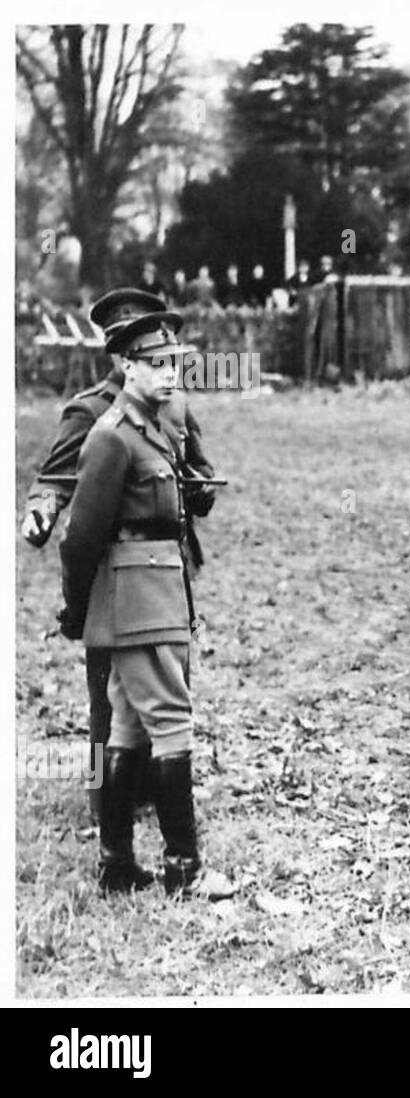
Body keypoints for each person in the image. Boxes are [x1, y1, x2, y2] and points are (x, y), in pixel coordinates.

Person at [22, 290, 218, 826]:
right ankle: (101, 795)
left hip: (167, 564)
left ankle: (151, 788)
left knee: (165, 682)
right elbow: (54, 478)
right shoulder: (90, 411)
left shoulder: (174, 403)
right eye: (135, 338)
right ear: (120, 352)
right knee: (105, 694)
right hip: (113, 568)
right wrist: (40, 511)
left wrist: (201, 489)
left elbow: (195, 468)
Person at [58, 300, 232, 899]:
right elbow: (82, 538)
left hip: (155, 590)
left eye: (173, 362)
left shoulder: (158, 426)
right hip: (136, 600)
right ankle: (186, 869)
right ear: (125, 368)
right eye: (154, 363)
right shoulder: (111, 438)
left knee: (130, 727)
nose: (168, 373)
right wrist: (77, 610)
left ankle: (116, 864)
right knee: (173, 724)